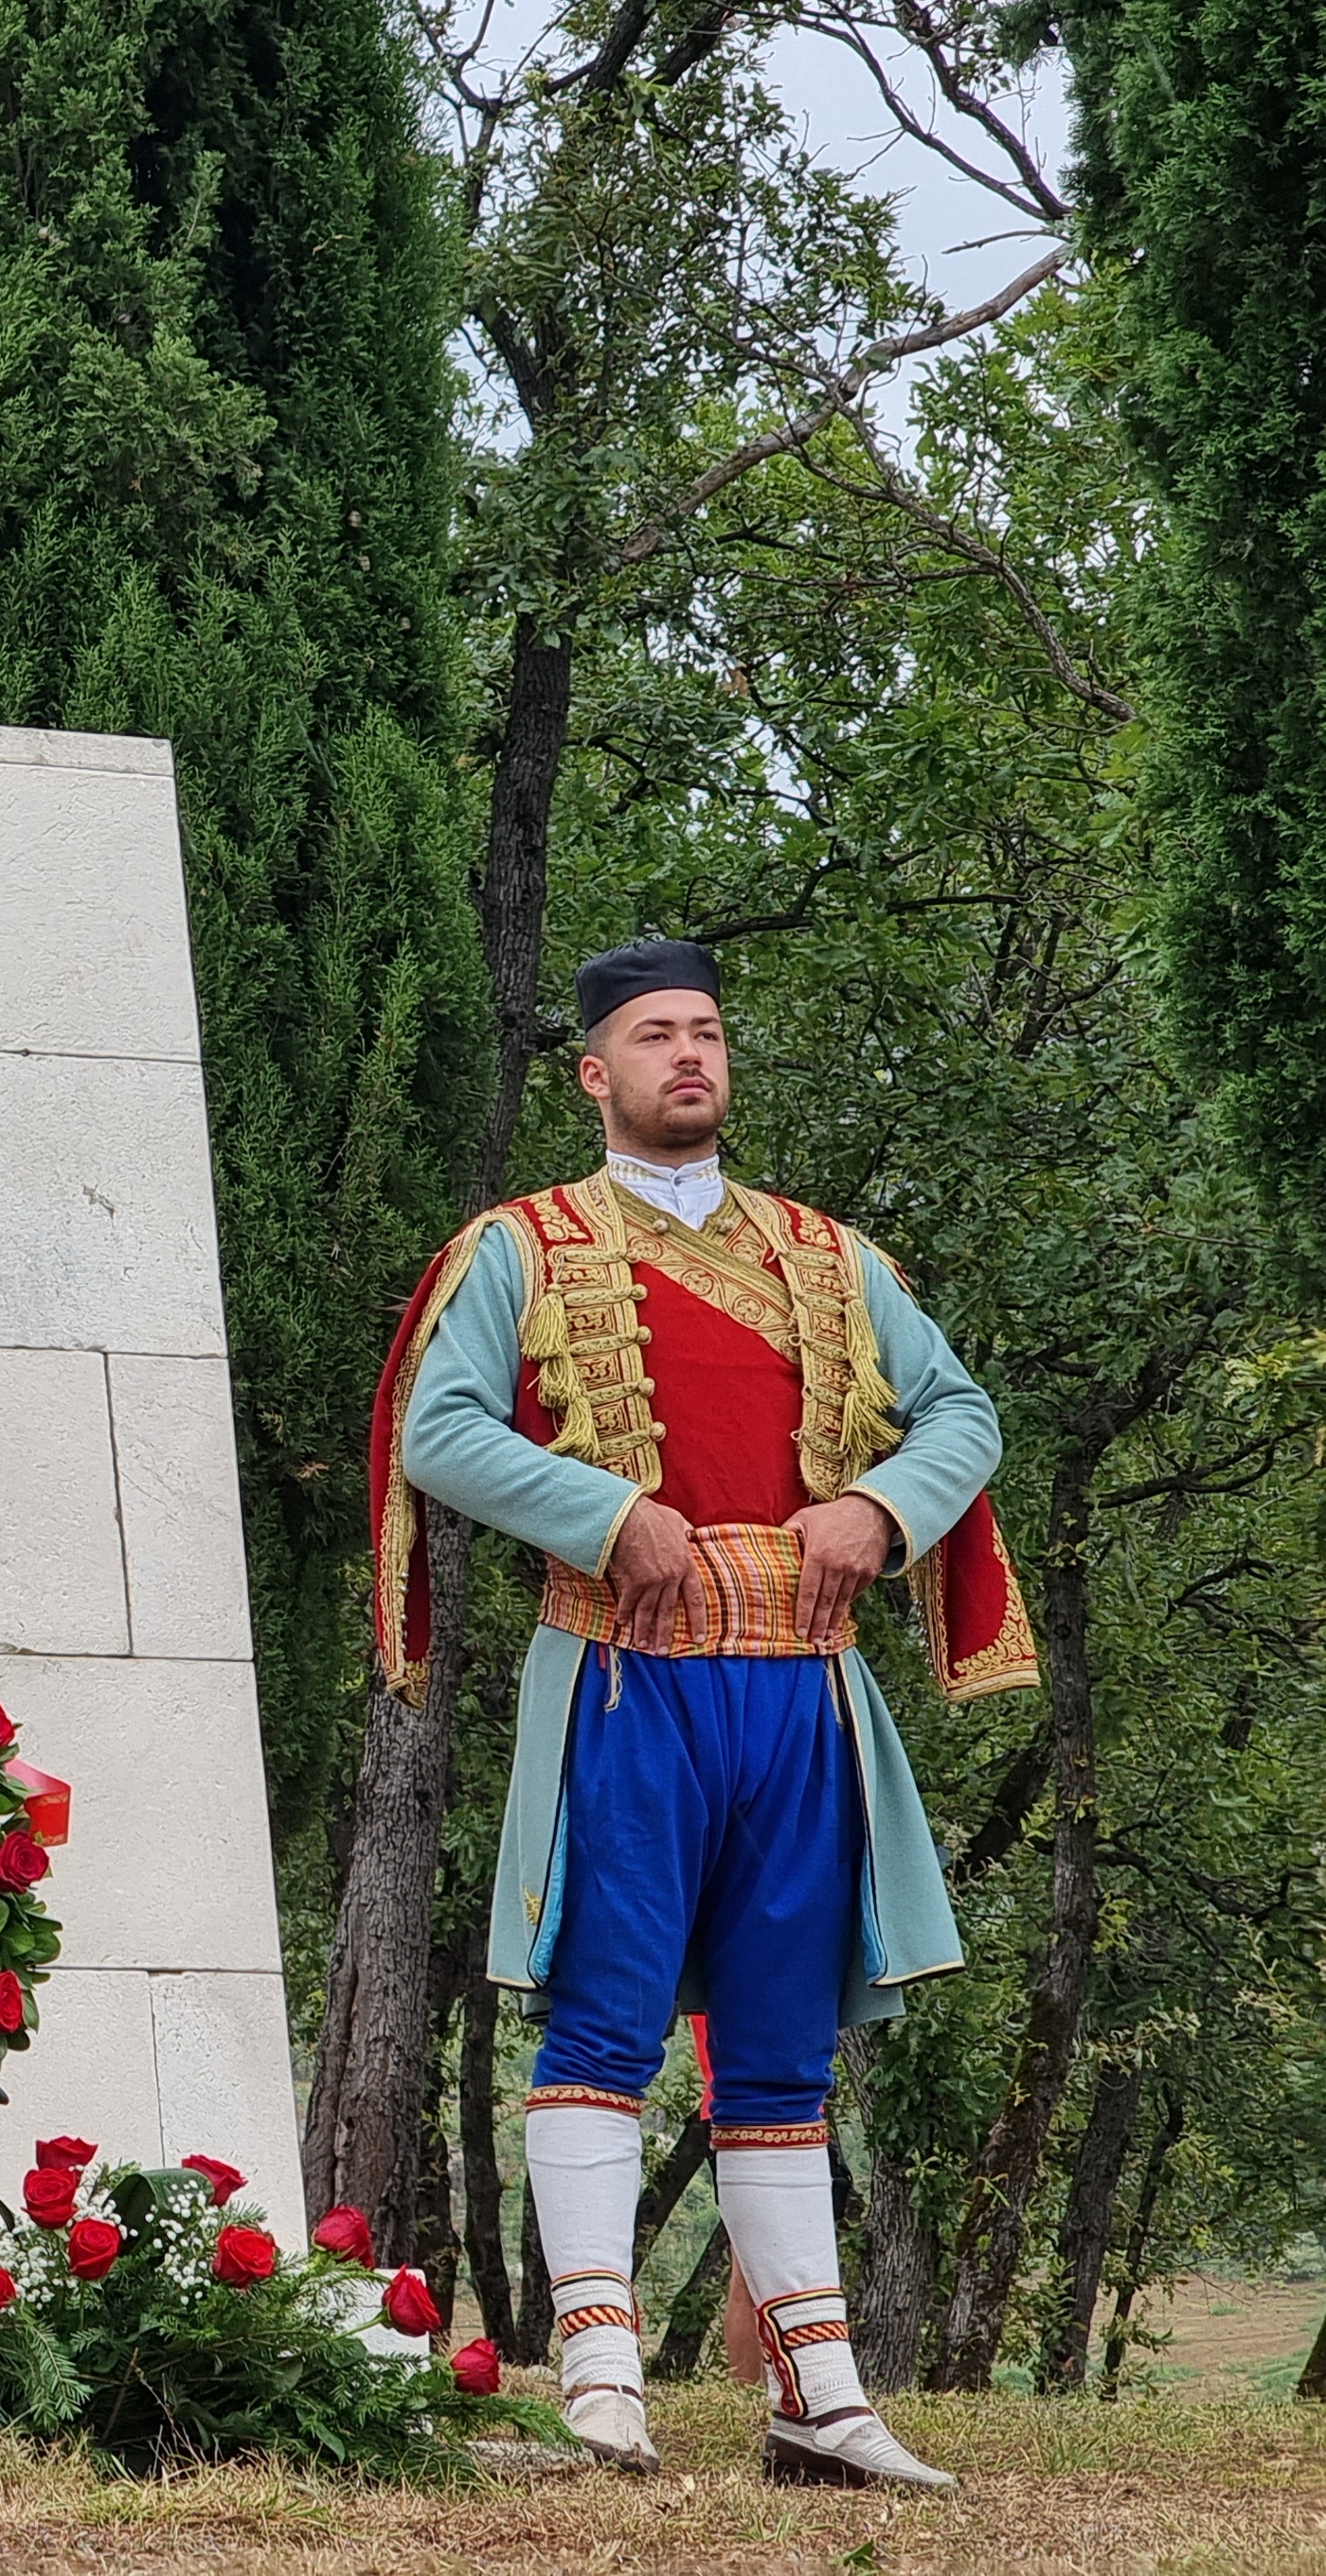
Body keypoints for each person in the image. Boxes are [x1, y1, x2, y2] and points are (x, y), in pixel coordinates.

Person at [367, 939, 1036, 2493]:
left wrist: (883, 1504)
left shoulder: (833, 1255)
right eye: (656, 1035)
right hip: (623, 1679)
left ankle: (819, 2392)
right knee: (602, 2018)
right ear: (595, 1075)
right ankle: (600, 2382)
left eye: (710, 1033)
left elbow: (964, 1414)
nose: (691, 1055)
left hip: (803, 1693)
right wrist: (600, 1513)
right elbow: (438, 1428)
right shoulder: (518, 1247)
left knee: (782, 2049)